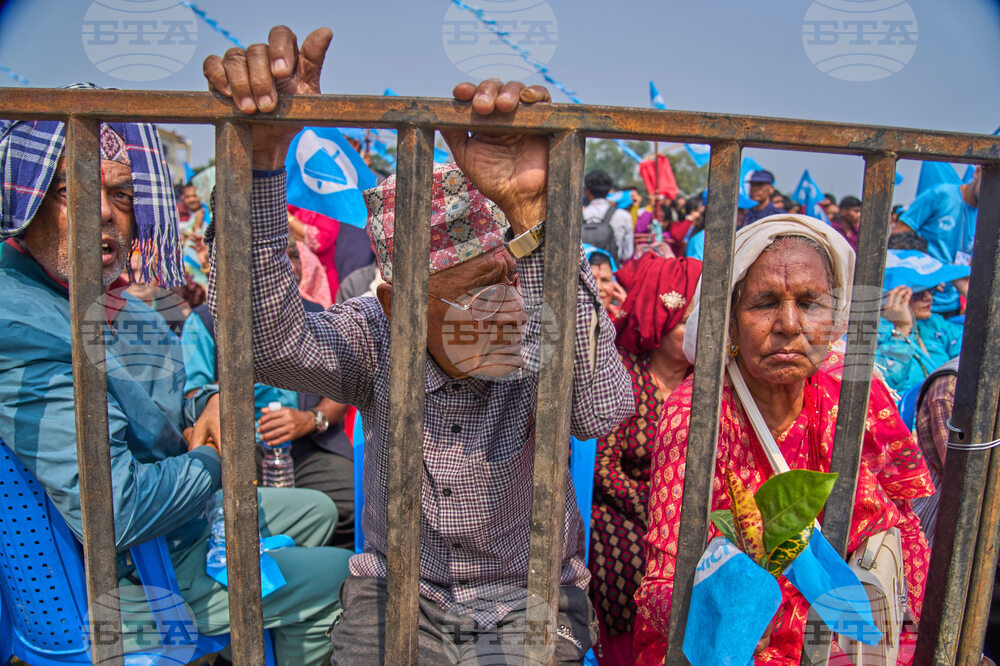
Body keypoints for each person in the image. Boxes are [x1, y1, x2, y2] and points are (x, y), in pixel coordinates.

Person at [202, 26, 633, 663]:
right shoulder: (375, 335)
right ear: (394, 305)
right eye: (459, 300)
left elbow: (598, 410)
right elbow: (260, 341)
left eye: (502, 282)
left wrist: (536, 217)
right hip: (396, 591)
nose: (491, 316)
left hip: (529, 594)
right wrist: (260, 164)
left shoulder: (533, 313)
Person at [0, 90, 352, 666]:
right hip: (134, 571)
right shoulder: (20, 320)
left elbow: (177, 398)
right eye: (72, 191)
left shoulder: (118, 307)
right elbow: (118, 511)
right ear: (28, 200)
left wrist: (208, 401)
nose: (106, 213)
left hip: (175, 520)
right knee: (346, 575)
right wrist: (216, 460)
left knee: (313, 510)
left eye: (120, 194)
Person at [633, 215, 934, 664]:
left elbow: (907, 519)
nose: (789, 324)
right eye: (765, 303)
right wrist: (727, 617)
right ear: (730, 323)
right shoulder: (696, 415)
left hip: (855, 633)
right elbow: (663, 580)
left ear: (836, 319)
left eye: (811, 303)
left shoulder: (856, 394)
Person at [181, 237, 355, 548]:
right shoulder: (204, 322)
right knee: (246, 521)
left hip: (307, 446)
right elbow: (194, 397)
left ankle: (324, 574)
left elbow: (342, 386)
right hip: (238, 449)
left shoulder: (314, 313)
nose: (280, 266)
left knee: (355, 501)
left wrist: (311, 418)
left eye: (288, 256)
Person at [589, 253, 702, 666]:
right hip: (624, 507)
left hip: (691, 513)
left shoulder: (708, 384)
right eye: (690, 320)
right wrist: (658, 515)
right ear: (662, 317)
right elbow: (604, 469)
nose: (701, 332)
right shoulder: (622, 373)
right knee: (627, 558)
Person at [875, 249, 969, 395]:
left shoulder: (932, 323)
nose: (928, 297)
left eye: (931, 289)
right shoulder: (871, 331)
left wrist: (969, 293)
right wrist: (902, 328)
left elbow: (974, 346)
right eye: (918, 292)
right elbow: (884, 380)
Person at [898, 166, 981, 316]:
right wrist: (930, 272)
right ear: (978, 172)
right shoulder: (941, 194)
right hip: (917, 300)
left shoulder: (991, 214)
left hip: (953, 303)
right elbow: (898, 237)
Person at [584, 169, 635, 264]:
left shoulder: (581, 215)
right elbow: (627, 253)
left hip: (582, 273)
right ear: (609, 191)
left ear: (587, 191)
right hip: (612, 272)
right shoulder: (624, 216)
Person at [587, 248, 626, 319]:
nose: (598, 287)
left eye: (605, 280)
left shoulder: (621, 316)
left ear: (615, 285)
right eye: (592, 279)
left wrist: (628, 309)